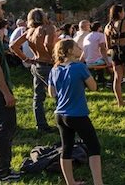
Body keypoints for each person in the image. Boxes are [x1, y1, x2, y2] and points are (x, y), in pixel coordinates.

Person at [48, 39, 104, 185]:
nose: (80, 48)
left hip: (60, 115)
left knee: (66, 148)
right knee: (93, 146)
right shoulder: (79, 67)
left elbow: (52, 93)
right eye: (77, 46)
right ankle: (98, 182)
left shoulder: (54, 69)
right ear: (70, 51)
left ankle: (70, 182)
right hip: (77, 114)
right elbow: (93, 87)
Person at [9, 7, 57, 133]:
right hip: (48, 65)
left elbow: (13, 46)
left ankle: (41, 125)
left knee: (38, 97)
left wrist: (26, 59)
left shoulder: (30, 31)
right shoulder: (48, 28)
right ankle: (65, 124)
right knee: (59, 94)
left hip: (36, 65)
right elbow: (48, 44)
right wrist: (55, 59)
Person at [0, 0, 20, 182]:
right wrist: (6, 93)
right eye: (0, 8)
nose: (3, 11)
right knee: (5, 127)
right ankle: (3, 172)